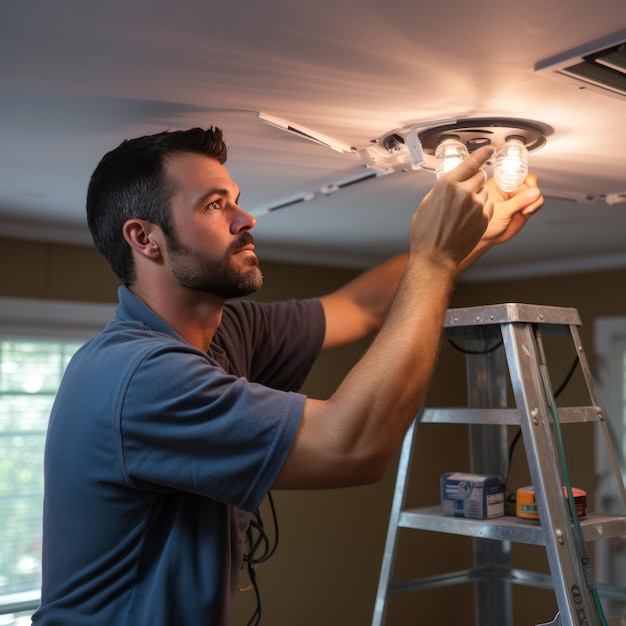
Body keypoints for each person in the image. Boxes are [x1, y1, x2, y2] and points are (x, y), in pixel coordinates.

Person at [32, 127, 543, 625]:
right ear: (145, 238)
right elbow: (353, 446)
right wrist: (433, 259)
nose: (245, 218)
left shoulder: (224, 330)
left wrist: (466, 239)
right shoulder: (139, 375)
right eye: (214, 205)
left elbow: (362, 306)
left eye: (235, 199)